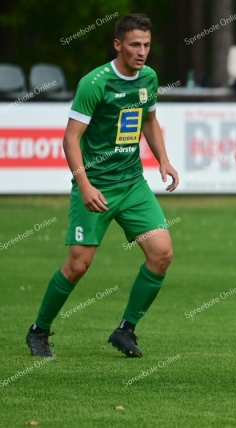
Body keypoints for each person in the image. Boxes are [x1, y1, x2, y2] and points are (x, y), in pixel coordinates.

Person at [26, 13, 179, 358]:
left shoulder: (150, 78)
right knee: (78, 265)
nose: (142, 51)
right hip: (95, 185)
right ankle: (39, 330)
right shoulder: (95, 83)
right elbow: (70, 139)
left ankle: (125, 330)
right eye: (135, 45)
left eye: (147, 45)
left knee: (162, 254)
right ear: (118, 45)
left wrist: (163, 159)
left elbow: (150, 121)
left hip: (133, 184)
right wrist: (84, 185)